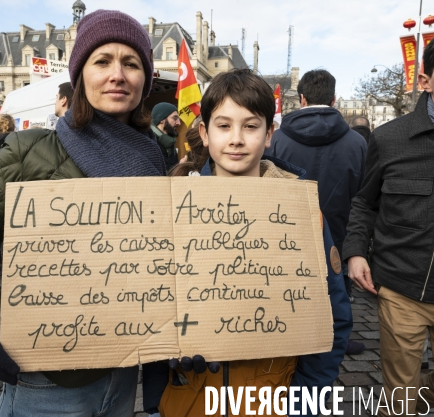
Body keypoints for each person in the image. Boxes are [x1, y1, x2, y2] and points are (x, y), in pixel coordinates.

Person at [0, 10, 166, 416]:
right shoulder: (27, 150)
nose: (117, 74)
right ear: (81, 74)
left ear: (145, 79)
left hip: (123, 372)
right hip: (46, 380)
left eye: (131, 63)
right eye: (102, 61)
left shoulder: (154, 159)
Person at [143, 69, 351, 417]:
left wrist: (305, 401)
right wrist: (155, 397)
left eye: (250, 126)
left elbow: (334, 312)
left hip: (274, 397)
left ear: (269, 134)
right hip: (189, 398)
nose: (236, 139)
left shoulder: (301, 212)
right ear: (204, 134)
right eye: (224, 126)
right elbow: (151, 307)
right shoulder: (170, 208)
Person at [344, 25, 434, 415]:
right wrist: (356, 252)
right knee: (401, 396)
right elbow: (365, 203)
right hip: (398, 288)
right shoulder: (390, 138)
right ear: (427, 80)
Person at [265, 69, 367, 355]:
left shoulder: (278, 139)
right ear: (334, 100)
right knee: (338, 292)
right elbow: (362, 195)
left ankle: (292, 339)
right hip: (339, 231)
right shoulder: (358, 143)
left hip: (286, 235)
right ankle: (337, 340)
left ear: (301, 99)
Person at [151, 102, 181, 171]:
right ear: (162, 120)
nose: (179, 123)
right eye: (175, 118)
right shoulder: (148, 143)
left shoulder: (171, 146)